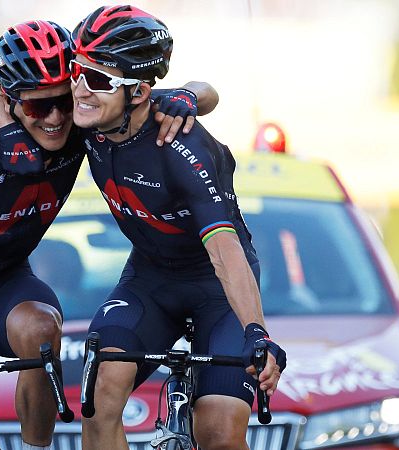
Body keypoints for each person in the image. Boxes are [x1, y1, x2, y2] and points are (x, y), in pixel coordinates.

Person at [0, 19, 211, 450]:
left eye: (64, 102)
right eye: (37, 108)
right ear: (9, 101)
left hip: (5, 283)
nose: (55, 119)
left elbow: (198, 93)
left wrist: (188, 96)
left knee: (41, 328)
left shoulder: (86, 122)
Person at [68, 6, 287, 450]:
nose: (78, 89)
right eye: (75, 71)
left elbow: (225, 250)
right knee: (99, 397)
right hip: (150, 281)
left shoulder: (180, 147)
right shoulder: (86, 116)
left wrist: (257, 331)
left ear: (138, 92)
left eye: (96, 79)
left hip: (216, 289)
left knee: (219, 433)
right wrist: (190, 91)